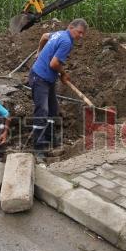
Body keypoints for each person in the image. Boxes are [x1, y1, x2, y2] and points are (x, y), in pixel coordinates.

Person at [29, 19, 88, 161]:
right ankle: (38, 148)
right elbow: (54, 63)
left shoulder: (60, 34)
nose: (81, 36)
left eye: (83, 34)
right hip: (40, 78)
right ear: (71, 27)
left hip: (47, 79)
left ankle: (50, 138)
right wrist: (63, 73)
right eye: (79, 32)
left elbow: (44, 36)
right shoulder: (66, 41)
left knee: (53, 109)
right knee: (42, 111)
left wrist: (39, 51)